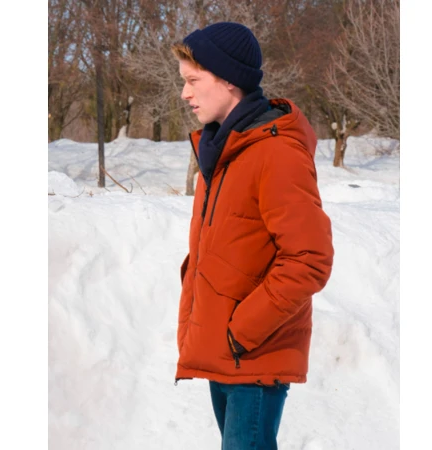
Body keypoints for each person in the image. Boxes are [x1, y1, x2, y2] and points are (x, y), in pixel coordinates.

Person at [171, 22, 334, 450]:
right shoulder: (222, 150)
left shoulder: (276, 152)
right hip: (228, 351)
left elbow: (309, 258)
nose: (184, 93)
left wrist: (242, 330)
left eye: (193, 81)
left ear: (228, 80)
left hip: (253, 353)